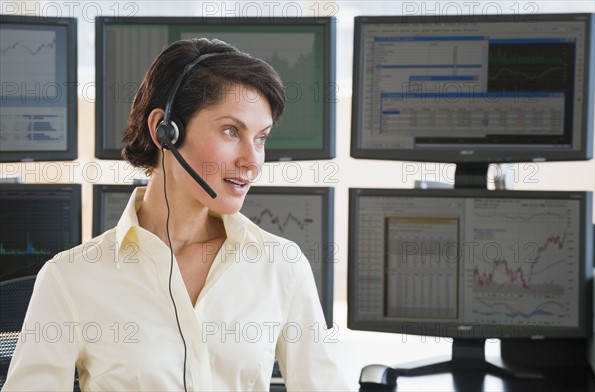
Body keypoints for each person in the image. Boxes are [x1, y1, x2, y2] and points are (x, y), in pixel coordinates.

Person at [3, 38, 350, 391]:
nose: (253, 160)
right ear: (164, 131)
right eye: (231, 131)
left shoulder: (282, 267)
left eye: (260, 138)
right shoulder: (71, 279)